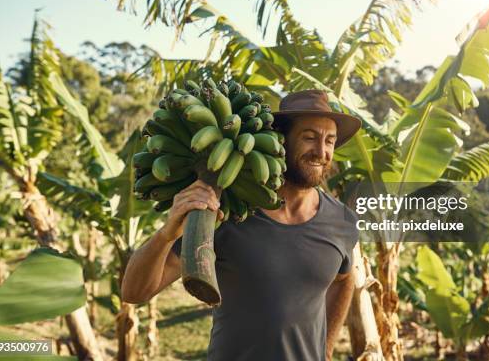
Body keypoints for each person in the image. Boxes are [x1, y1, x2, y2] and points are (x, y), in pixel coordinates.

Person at [121, 89, 362, 361]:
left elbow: (344, 279)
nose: (321, 151)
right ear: (281, 141)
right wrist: (167, 234)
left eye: (330, 141)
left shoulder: (342, 221)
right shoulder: (228, 212)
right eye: (309, 137)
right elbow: (134, 292)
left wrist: (326, 349)